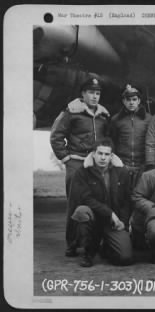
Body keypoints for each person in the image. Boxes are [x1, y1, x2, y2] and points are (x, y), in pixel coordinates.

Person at [50, 77, 110, 256]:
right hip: (76, 162)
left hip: (95, 163)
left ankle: (95, 242)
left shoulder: (103, 116)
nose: (94, 96)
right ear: (83, 94)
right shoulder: (71, 112)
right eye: (91, 92)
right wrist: (66, 158)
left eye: (97, 93)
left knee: (99, 201)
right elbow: (56, 136)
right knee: (75, 203)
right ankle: (73, 243)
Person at [68, 138, 134, 267]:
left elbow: (127, 200)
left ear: (111, 156)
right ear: (93, 154)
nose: (103, 157)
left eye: (107, 154)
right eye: (100, 153)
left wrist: (124, 223)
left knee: (125, 258)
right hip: (94, 219)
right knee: (81, 211)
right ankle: (88, 252)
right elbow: (85, 199)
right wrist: (110, 213)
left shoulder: (122, 172)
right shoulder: (82, 172)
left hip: (113, 222)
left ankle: (107, 247)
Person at [110, 84, 151, 187]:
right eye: (128, 100)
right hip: (122, 165)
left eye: (134, 99)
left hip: (141, 165)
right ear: (124, 101)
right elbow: (111, 141)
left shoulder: (148, 119)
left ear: (139, 101)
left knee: (139, 194)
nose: (131, 102)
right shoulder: (116, 120)